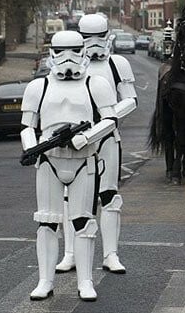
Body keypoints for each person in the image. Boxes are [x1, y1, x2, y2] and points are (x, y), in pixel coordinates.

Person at [20, 30, 118, 301]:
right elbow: (28, 126)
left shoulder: (95, 84)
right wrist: (31, 147)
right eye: (61, 51)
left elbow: (109, 120)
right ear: (51, 53)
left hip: (83, 161)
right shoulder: (38, 87)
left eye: (74, 50)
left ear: (83, 50)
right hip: (49, 161)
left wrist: (86, 137)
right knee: (47, 222)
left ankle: (85, 281)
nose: (67, 58)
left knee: (83, 223)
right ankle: (45, 280)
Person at [54, 14, 137, 275]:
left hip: (107, 137)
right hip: (78, 141)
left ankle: (110, 253)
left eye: (97, 37)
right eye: (86, 38)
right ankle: (70, 252)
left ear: (107, 36)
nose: (92, 44)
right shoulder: (70, 66)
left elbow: (131, 99)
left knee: (109, 196)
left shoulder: (117, 64)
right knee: (70, 198)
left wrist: (107, 116)